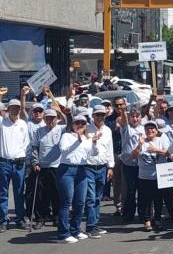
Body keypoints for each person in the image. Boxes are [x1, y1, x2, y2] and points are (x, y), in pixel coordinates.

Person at [0, 87, 30, 232]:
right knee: (2, 193)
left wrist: (24, 160)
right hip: (4, 163)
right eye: (12, 107)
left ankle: (20, 219)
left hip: (19, 163)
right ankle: (3, 221)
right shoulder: (1, 124)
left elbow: (26, 144)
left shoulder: (23, 124)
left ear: (20, 109)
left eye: (17, 108)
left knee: (20, 192)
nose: (15, 110)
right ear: (8, 109)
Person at [57, 114, 100, 243]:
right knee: (66, 202)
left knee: (80, 202)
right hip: (67, 169)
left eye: (83, 123)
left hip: (81, 170)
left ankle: (75, 229)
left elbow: (94, 153)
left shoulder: (87, 138)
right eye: (77, 123)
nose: (80, 125)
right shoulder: (67, 136)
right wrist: (77, 141)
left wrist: (94, 142)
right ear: (73, 125)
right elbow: (64, 150)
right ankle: (63, 232)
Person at [132, 119, 173, 232]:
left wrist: (156, 150)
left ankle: (157, 219)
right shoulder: (141, 141)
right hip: (144, 177)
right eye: (147, 129)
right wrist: (139, 145)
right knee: (145, 200)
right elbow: (134, 156)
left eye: (152, 128)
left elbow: (169, 154)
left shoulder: (161, 140)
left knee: (158, 200)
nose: (150, 130)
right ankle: (147, 221)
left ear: (156, 130)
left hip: (159, 176)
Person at [30, 107, 66, 229]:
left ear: (57, 119)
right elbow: (34, 147)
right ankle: (40, 218)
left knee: (56, 193)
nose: (50, 120)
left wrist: (61, 112)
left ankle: (56, 216)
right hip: (42, 166)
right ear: (44, 119)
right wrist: (35, 162)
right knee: (41, 194)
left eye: (53, 118)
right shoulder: (39, 131)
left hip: (56, 166)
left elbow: (70, 123)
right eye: (48, 118)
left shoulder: (62, 129)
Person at [86, 104, 114, 238]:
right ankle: (90, 226)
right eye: (97, 115)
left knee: (97, 198)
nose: (100, 117)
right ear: (93, 116)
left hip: (102, 167)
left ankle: (95, 224)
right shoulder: (86, 129)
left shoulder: (108, 130)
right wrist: (92, 140)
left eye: (102, 115)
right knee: (91, 198)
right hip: (89, 167)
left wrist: (110, 166)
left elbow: (110, 149)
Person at [119, 105, 144, 223]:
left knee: (142, 191)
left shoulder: (144, 129)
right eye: (132, 117)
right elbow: (123, 121)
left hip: (142, 165)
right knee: (130, 190)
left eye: (137, 116)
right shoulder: (126, 128)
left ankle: (143, 215)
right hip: (129, 164)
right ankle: (129, 214)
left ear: (140, 118)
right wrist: (124, 111)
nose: (135, 119)